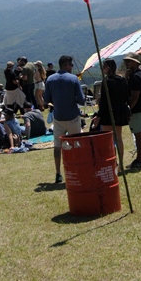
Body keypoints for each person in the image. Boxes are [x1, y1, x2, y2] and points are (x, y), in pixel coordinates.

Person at [45, 55, 85, 185]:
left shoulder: (50, 79)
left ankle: (58, 174)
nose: (72, 68)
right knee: (76, 145)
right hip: (73, 116)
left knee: (57, 147)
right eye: (71, 65)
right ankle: (78, 170)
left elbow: (47, 100)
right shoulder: (73, 79)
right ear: (67, 65)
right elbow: (81, 100)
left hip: (58, 117)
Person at [123, 56, 141, 168]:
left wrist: (129, 108)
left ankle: (139, 160)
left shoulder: (135, 77)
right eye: (125, 61)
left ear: (135, 62)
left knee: (138, 134)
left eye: (128, 61)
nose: (126, 63)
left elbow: (135, 95)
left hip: (137, 110)